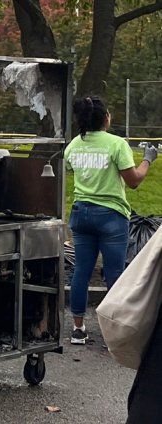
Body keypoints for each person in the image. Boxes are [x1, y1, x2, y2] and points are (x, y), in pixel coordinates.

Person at [65, 95, 157, 344]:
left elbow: (72, 169)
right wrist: (148, 159)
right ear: (105, 118)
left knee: (81, 271)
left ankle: (78, 329)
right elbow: (134, 181)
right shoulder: (117, 144)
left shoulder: (74, 145)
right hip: (111, 216)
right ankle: (113, 334)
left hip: (80, 214)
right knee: (115, 273)